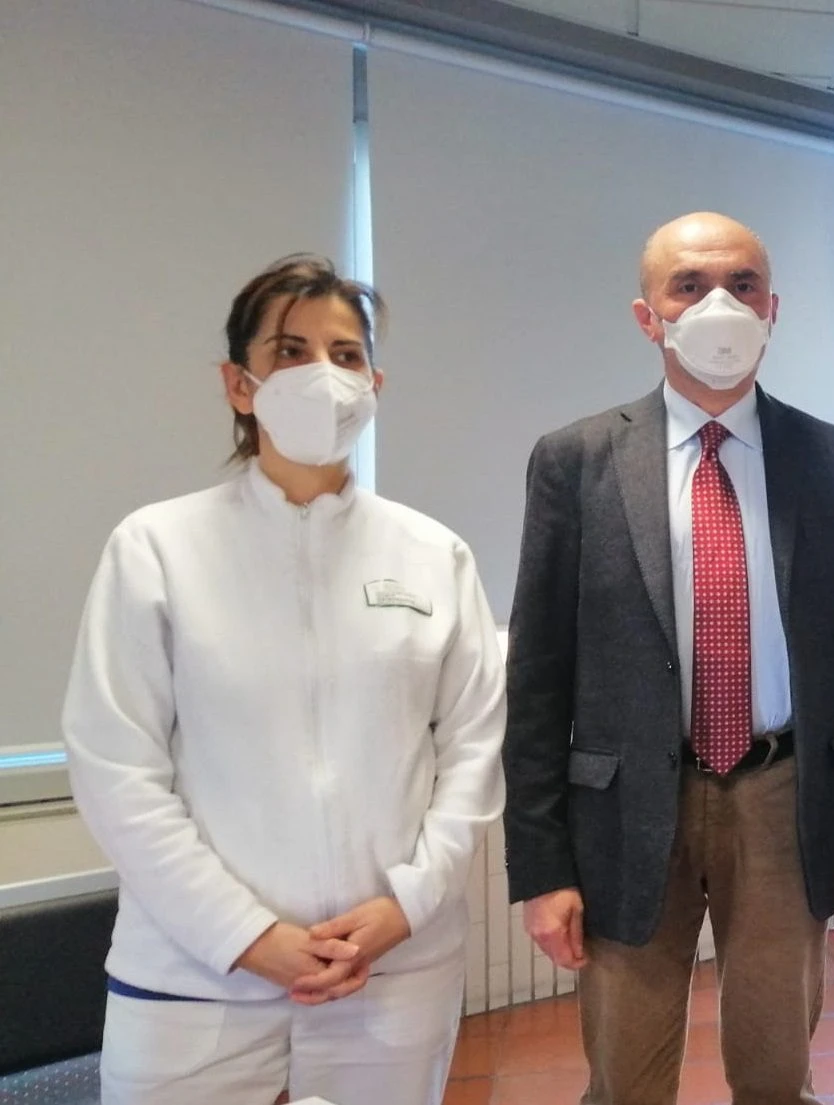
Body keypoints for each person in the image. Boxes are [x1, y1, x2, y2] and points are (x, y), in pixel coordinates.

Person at [61, 255, 506, 1104]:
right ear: (240, 383)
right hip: (197, 975)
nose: (322, 374)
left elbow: (472, 754)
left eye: (345, 354)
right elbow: (117, 768)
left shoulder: (433, 555)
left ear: (373, 386)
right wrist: (246, 934)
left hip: (390, 968)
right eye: (291, 351)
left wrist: (405, 907)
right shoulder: (157, 549)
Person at [504, 212, 834, 1105]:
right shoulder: (576, 461)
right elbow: (537, 678)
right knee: (625, 1081)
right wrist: (541, 866)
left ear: (772, 309)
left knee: (777, 1076)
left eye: (742, 285)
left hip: (783, 797)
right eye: (690, 285)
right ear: (648, 316)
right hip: (625, 809)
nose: (720, 304)